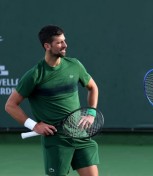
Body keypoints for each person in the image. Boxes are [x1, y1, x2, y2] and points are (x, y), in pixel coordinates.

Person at [5, 25, 99, 176]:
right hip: (56, 142)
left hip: (80, 135)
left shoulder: (75, 65)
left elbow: (93, 87)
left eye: (64, 41)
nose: (65, 45)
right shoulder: (34, 75)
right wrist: (34, 125)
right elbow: (10, 105)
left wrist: (91, 112)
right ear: (47, 46)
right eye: (59, 42)